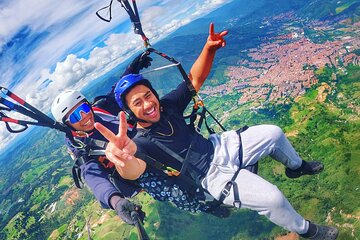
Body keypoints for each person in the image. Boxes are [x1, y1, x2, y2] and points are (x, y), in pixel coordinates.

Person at [95, 23, 339, 239]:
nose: (148, 104)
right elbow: (133, 171)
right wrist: (122, 157)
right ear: (128, 112)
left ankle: (296, 167)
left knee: (274, 133)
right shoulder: (140, 142)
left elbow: (193, 80)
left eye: (148, 95)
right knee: (273, 199)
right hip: (210, 176)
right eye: (137, 103)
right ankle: (307, 230)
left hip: (218, 145)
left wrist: (209, 49)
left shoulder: (167, 107)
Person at [50, 53, 153, 225]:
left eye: (83, 108)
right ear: (68, 125)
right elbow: (92, 175)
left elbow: (115, 92)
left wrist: (133, 68)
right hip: (137, 171)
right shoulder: (79, 145)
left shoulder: (101, 109)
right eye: (75, 116)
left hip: (149, 145)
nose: (84, 116)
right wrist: (116, 201)